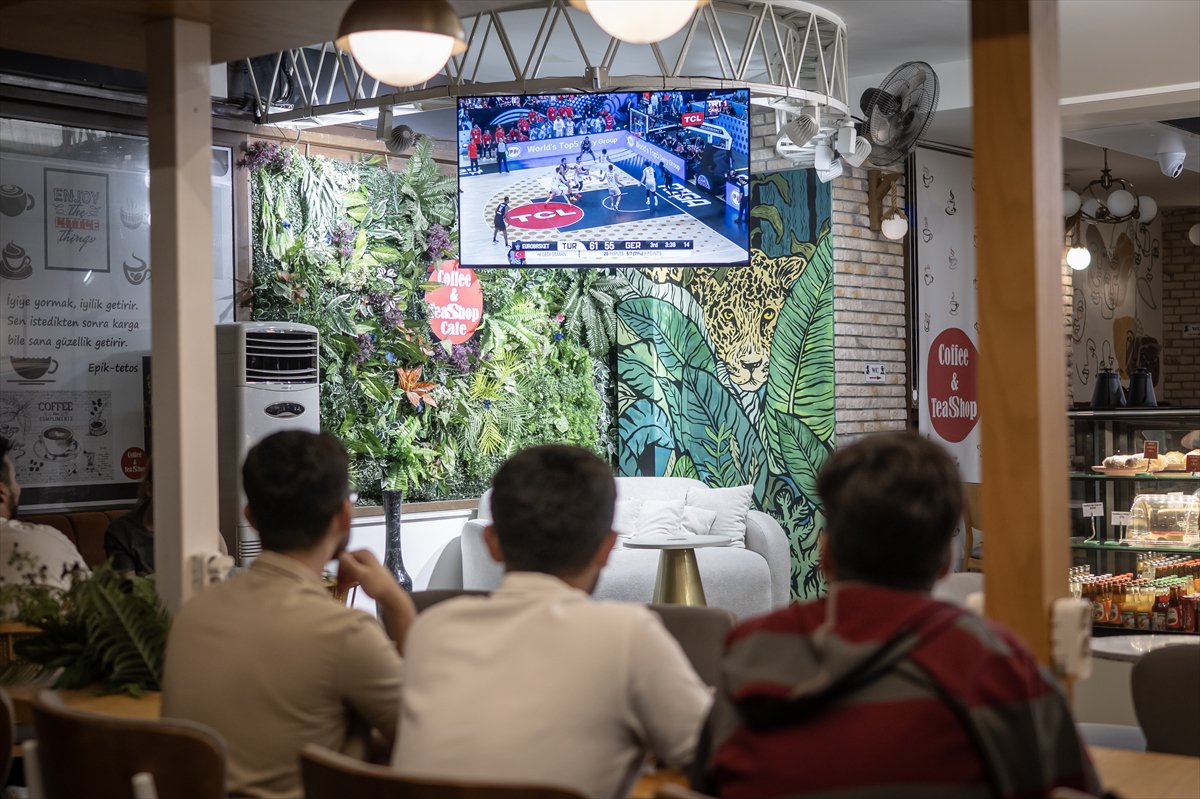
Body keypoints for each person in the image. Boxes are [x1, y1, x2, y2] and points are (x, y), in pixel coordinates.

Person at [691, 432, 1100, 799]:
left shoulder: (751, 650)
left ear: (826, 555)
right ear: (945, 562)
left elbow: (706, 781)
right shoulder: (993, 662)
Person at [391, 445, 711, 799]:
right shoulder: (628, 636)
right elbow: (713, 756)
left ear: (491, 543)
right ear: (607, 548)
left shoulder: (432, 630)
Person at [163, 431, 415, 799]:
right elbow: (424, 736)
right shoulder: (345, 633)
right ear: (344, 515)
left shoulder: (193, 613)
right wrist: (398, 603)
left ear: (250, 517)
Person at [104, 457, 228, 575]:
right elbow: (131, 590)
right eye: (171, 488)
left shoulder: (195, 523)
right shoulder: (122, 533)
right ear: (150, 489)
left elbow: (222, 564)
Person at [0, 435, 88, 591]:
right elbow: (98, 602)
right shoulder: (45, 541)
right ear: (2, 493)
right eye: (16, 479)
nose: (20, 488)